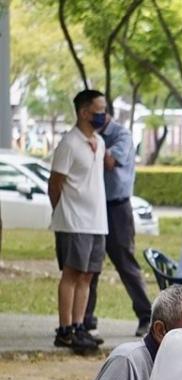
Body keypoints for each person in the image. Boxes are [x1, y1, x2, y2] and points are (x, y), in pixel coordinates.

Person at [49, 89, 109, 353]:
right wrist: (61, 211)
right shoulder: (69, 143)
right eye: (99, 110)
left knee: (87, 275)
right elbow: (55, 183)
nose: (103, 115)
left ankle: (79, 325)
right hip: (73, 221)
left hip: (97, 221)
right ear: (84, 112)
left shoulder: (99, 141)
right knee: (72, 274)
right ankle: (65, 330)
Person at [84, 112, 153, 338]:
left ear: (109, 114)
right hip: (94, 207)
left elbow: (110, 161)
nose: (95, 116)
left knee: (126, 264)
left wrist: (91, 142)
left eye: (99, 112)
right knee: (90, 266)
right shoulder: (90, 135)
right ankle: (84, 319)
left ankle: (147, 316)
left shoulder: (121, 135)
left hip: (117, 209)